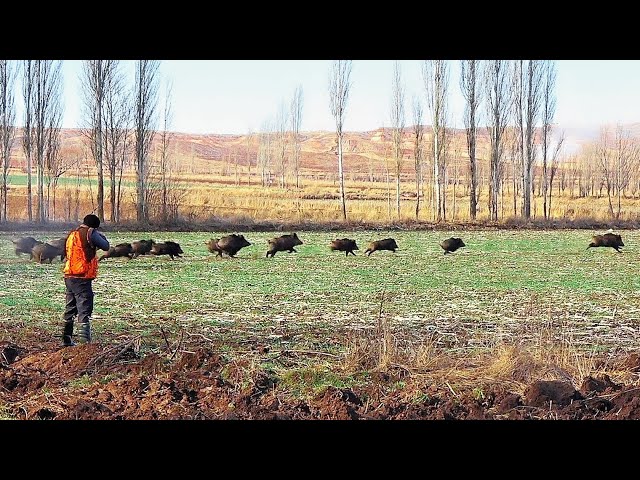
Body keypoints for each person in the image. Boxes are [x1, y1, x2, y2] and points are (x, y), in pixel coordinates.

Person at [61, 214, 110, 346]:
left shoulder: (73, 234)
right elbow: (105, 246)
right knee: (84, 308)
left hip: (69, 275)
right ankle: (84, 345)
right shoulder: (90, 233)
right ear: (94, 226)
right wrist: (98, 235)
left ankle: (66, 340)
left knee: (70, 308)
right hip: (81, 276)